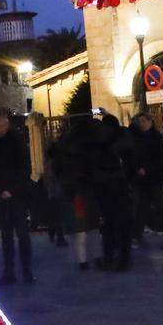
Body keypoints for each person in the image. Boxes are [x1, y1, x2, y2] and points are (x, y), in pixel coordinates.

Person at [0, 112, 35, 285]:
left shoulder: (17, 144)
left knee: (22, 235)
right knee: (6, 236)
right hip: (2, 199)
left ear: (4, 126)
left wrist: (12, 190)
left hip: (17, 197)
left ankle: (27, 272)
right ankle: (9, 272)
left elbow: (24, 170)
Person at [49, 114, 101, 271]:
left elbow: (57, 169)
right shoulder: (89, 146)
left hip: (71, 191)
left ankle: (82, 260)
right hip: (86, 189)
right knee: (92, 224)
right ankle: (96, 256)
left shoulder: (61, 147)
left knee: (78, 227)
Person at [90, 110, 133, 272]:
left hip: (103, 187)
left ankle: (109, 257)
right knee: (123, 225)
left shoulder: (98, 140)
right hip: (121, 186)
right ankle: (125, 259)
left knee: (108, 225)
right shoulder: (122, 137)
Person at [130, 113, 163, 248]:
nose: (142, 124)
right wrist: (138, 168)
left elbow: (160, 159)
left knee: (162, 206)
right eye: (140, 122)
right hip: (144, 179)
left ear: (150, 121)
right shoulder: (139, 138)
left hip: (157, 178)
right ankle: (137, 236)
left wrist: (146, 169)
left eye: (144, 121)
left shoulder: (157, 138)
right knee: (141, 208)